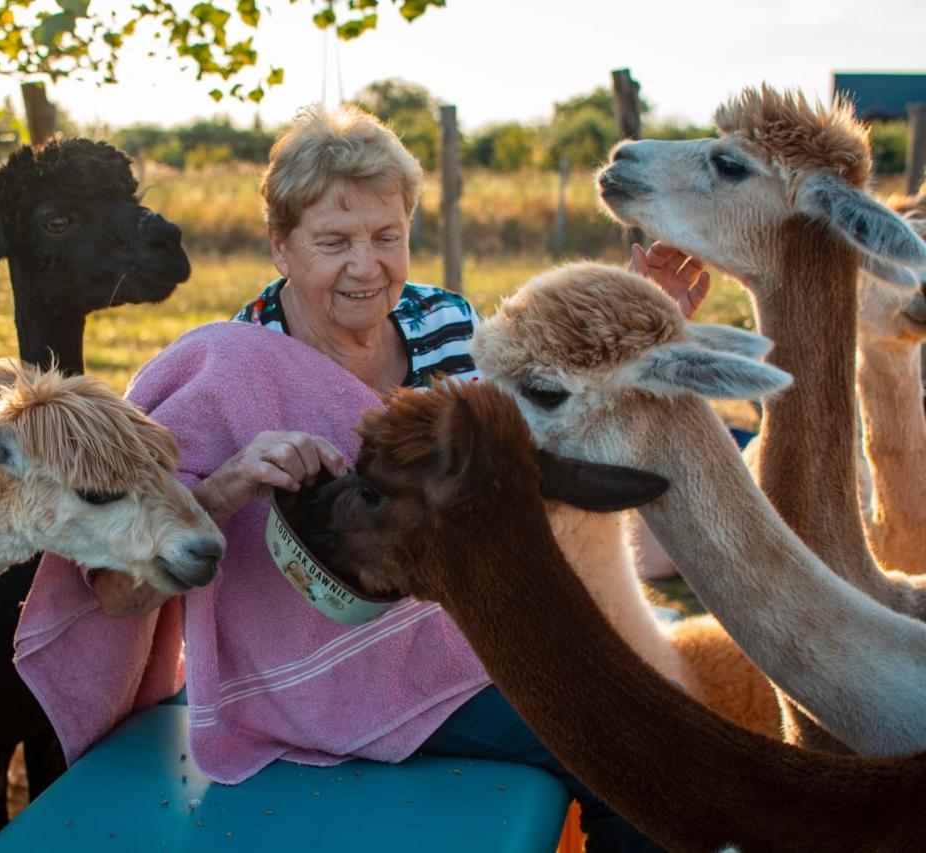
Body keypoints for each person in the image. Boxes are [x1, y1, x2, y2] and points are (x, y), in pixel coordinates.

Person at [88, 104, 709, 852]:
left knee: (662, 732)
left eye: (388, 237)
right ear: (280, 246)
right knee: (633, 760)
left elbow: (534, 443)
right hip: (313, 684)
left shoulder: (446, 323)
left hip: (465, 638)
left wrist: (646, 327)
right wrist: (229, 484)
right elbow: (119, 592)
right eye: (333, 241)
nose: (366, 265)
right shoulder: (228, 369)